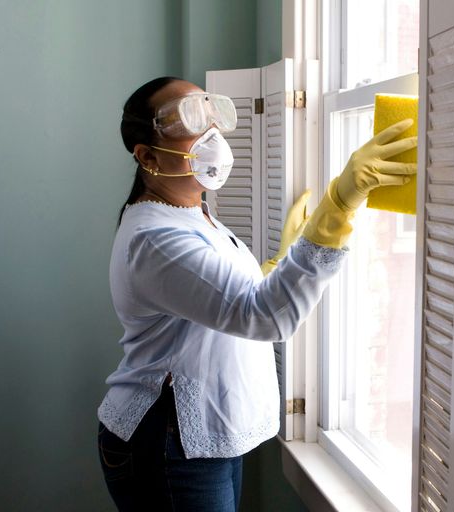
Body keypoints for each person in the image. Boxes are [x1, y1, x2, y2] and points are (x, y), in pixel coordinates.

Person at [96, 76, 416, 511]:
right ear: (148, 156)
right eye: (188, 118)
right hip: (169, 440)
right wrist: (336, 209)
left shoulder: (191, 212)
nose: (211, 131)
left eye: (211, 112)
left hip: (201, 436)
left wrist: (281, 261)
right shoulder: (155, 237)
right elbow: (264, 318)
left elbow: (218, 295)